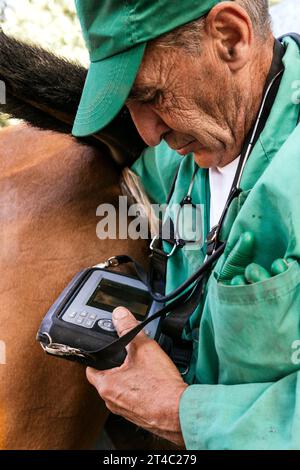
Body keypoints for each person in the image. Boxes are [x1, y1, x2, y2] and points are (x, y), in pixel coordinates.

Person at [72, 0, 300, 450]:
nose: (149, 134)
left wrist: (180, 413)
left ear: (230, 37)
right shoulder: (193, 144)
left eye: (153, 95)